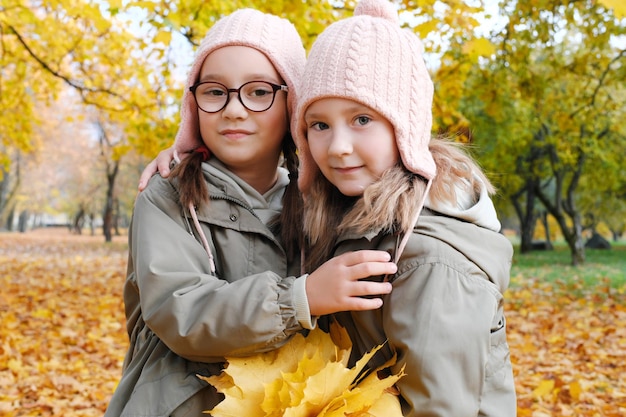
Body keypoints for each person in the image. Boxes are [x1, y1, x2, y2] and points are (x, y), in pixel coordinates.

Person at [106, 8, 397, 417]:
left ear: (293, 104)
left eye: (259, 92)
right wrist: (302, 297)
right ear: (194, 104)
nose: (234, 110)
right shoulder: (167, 196)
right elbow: (180, 310)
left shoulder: (322, 199)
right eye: (214, 91)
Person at [291, 0, 517, 415]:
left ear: (404, 129)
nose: (338, 147)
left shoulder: (426, 259)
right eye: (319, 125)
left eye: (362, 119)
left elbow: (438, 407)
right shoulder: (347, 221)